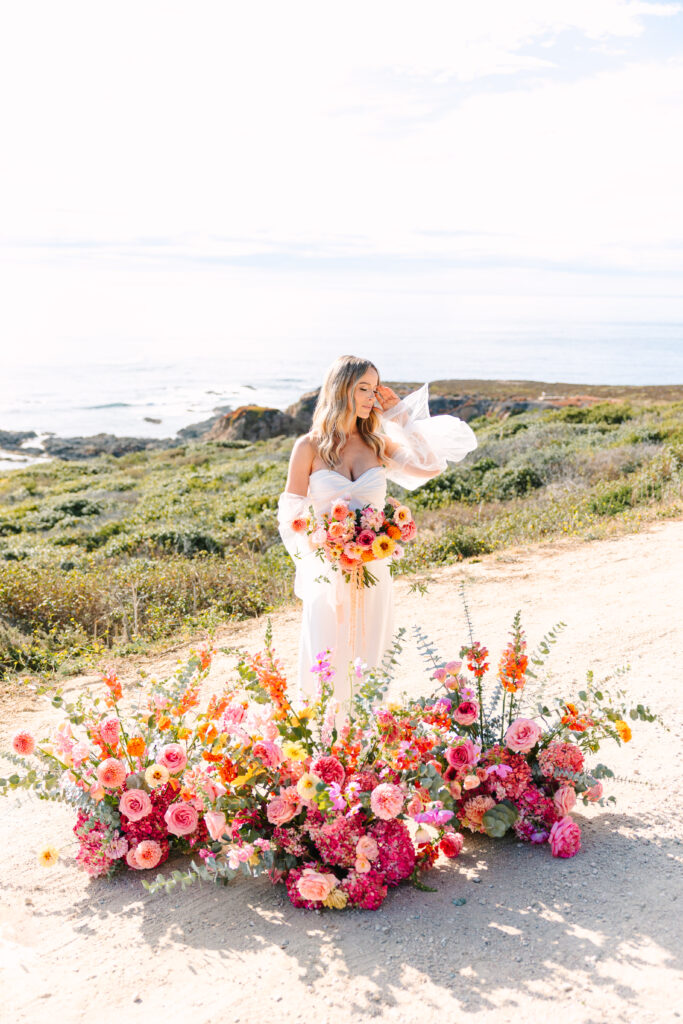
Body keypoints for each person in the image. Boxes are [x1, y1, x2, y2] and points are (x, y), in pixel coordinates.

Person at [277, 355, 477, 710]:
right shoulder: (307, 447)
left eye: (374, 388)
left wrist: (400, 416)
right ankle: (325, 744)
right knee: (326, 657)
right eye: (363, 388)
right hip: (328, 574)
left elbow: (429, 467)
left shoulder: (377, 443)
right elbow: (290, 514)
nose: (371, 397)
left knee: (372, 658)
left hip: (373, 570)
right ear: (341, 390)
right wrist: (321, 545)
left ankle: (368, 747)